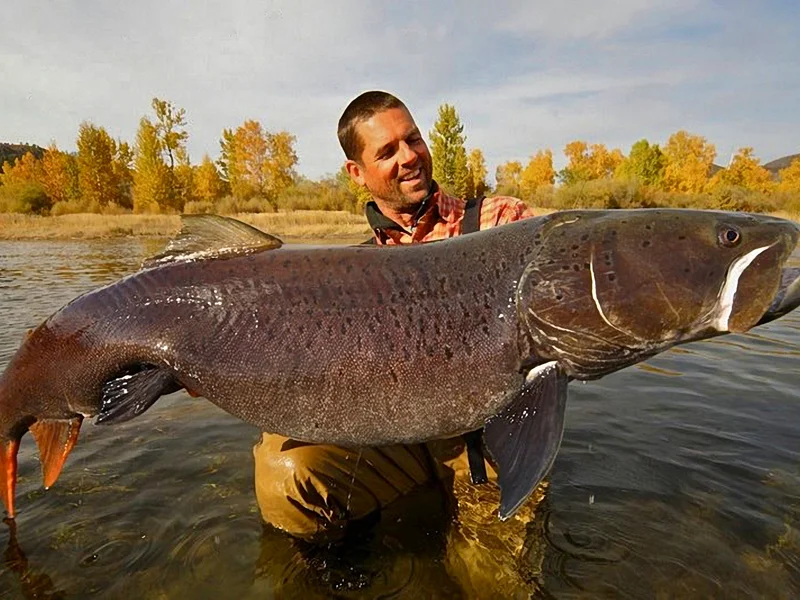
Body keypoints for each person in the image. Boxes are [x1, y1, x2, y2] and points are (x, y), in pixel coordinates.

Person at [252, 90, 542, 596]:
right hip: (397, 440)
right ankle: (347, 555)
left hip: (488, 453)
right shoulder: (352, 269)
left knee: (497, 588)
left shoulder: (502, 221)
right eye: (387, 151)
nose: (409, 156)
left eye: (414, 139)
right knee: (284, 477)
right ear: (356, 173)